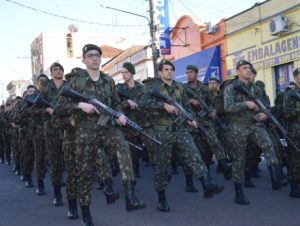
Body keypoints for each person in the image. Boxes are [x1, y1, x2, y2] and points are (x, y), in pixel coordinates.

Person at [60, 44, 146, 226]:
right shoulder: (76, 81)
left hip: (107, 127)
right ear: (83, 59)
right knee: (84, 172)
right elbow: (59, 108)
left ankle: (130, 197)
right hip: (86, 131)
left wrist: (121, 115)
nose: (94, 58)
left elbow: (116, 105)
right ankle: (86, 213)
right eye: (90, 55)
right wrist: (79, 105)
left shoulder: (108, 81)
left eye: (97, 55)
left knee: (123, 148)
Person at [140, 60, 224, 212]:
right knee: (161, 166)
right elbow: (143, 103)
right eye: (166, 69)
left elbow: (185, 106)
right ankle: (162, 198)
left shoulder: (179, 87)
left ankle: (206, 185)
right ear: (160, 72)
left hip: (180, 129)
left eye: (171, 69)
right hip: (162, 131)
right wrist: (163, 105)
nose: (169, 72)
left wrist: (191, 119)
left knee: (194, 155)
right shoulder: (154, 88)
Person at [223, 59, 287, 205]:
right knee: (239, 160)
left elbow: (262, 105)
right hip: (238, 127)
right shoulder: (231, 87)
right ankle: (238, 193)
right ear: (238, 71)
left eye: (250, 68)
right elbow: (228, 107)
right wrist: (246, 104)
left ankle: (276, 177)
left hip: (255, 125)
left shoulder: (255, 88)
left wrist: (262, 114)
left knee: (268, 143)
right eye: (245, 68)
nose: (248, 70)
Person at [183, 65, 231, 181]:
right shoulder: (182, 88)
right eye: (187, 72)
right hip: (191, 123)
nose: (188, 74)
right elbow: (178, 102)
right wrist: (190, 100)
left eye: (191, 72)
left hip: (206, 122)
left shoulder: (204, 88)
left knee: (215, 143)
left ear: (196, 73)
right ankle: (189, 181)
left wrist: (213, 111)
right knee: (190, 152)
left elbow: (212, 103)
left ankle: (224, 168)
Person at [116, 62, 145, 178]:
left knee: (138, 147)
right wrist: (127, 102)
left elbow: (146, 102)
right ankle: (130, 171)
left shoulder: (141, 88)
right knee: (130, 148)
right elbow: (115, 104)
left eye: (126, 72)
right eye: (122, 72)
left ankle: (136, 167)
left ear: (132, 72)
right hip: (126, 123)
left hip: (141, 121)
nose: (123, 75)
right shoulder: (119, 88)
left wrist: (138, 104)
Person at [283, 67, 300, 198]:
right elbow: (287, 114)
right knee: (296, 159)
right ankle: (294, 188)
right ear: (295, 77)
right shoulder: (290, 94)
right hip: (295, 131)